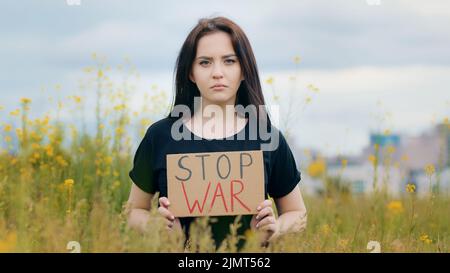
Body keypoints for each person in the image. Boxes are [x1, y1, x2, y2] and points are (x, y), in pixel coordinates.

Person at [127, 16, 307, 249]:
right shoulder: (161, 136)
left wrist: (274, 229)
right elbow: (133, 211)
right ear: (190, 72)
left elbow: (297, 213)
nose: (217, 72)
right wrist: (155, 226)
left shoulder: (267, 137)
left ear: (244, 70)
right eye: (205, 62)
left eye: (229, 61)